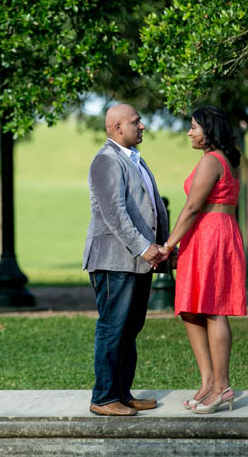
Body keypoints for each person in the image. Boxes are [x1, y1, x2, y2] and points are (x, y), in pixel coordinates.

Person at [157, 105, 246, 415]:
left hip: (212, 237)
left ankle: (222, 386)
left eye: (194, 126)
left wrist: (168, 246)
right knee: (190, 310)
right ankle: (208, 382)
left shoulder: (212, 161)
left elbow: (193, 207)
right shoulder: (226, 160)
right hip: (206, 236)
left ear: (209, 131)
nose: (189, 132)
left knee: (213, 310)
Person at [83, 103, 170, 416]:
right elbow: (115, 214)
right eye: (136, 122)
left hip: (137, 261)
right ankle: (104, 398)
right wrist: (144, 247)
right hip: (112, 262)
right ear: (117, 127)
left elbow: (152, 207)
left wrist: (162, 248)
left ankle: (122, 393)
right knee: (112, 327)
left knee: (129, 329)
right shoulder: (106, 161)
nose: (143, 125)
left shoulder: (135, 160)